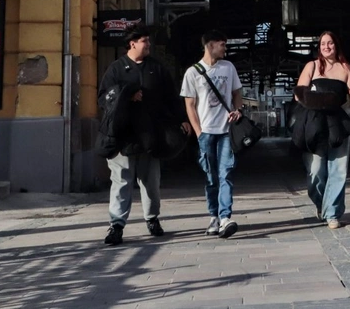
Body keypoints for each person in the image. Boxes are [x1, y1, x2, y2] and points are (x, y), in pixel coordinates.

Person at [97, 24, 180, 247]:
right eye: (145, 41)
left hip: (150, 135)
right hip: (122, 136)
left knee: (151, 182)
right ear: (132, 44)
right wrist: (126, 96)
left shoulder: (157, 68)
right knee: (121, 181)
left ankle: (152, 219)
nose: (149, 44)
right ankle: (116, 225)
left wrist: (181, 121)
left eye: (149, 41)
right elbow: (104, 97)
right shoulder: (115, 69)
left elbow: (171, 98)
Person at [292, 32, 350, 229]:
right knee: (315, 172)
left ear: (336, 45)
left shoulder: (346, 68)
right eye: (323, 43)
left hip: (338, 122)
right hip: (314, 123)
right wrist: (318, 101)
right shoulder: (312, 66)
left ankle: (332, 214)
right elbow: (299, 93)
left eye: (330, 42)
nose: (326, 46)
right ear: (319, 47)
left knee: (338, 170)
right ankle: (322, 204)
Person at [181, 29, 244, 239]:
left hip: (226, 131)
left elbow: (237, 93)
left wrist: (238, 110)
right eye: (222, 44)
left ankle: (225, 217)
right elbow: (189, 105)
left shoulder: (228, 67)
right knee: (210, 177)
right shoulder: (192, 72)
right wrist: (199, 133)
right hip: (206, 132)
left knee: (226, 173)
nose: (225, 48)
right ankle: (213, 216)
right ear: (210, 45)